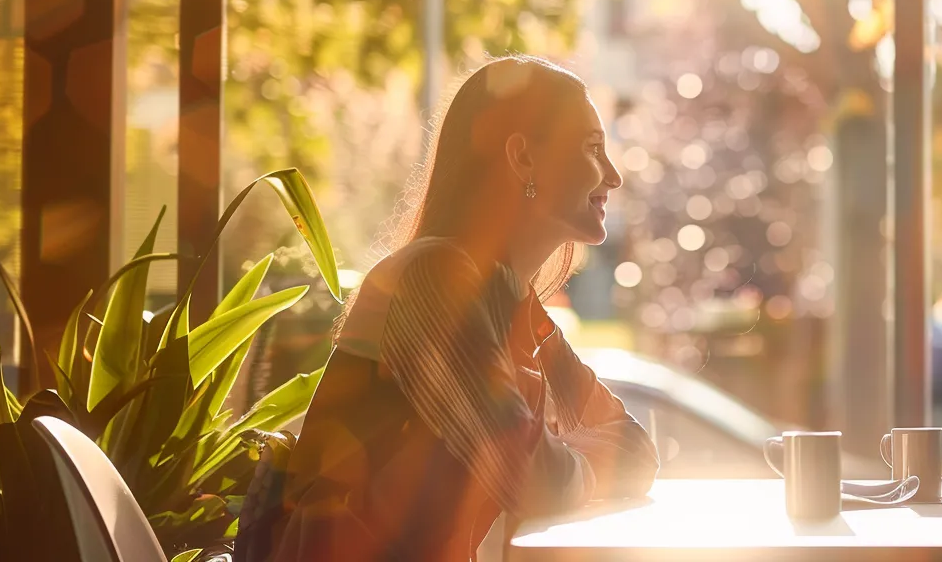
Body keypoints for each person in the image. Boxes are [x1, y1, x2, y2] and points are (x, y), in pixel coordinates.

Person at [260, 56, 658, 560]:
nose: (615, 176)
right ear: (523, 158)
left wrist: (569, 459)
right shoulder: (432, 280)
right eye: (593, 148)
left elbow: (638, 450)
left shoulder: (514, 303)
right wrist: (585, 459)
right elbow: (533, 478)